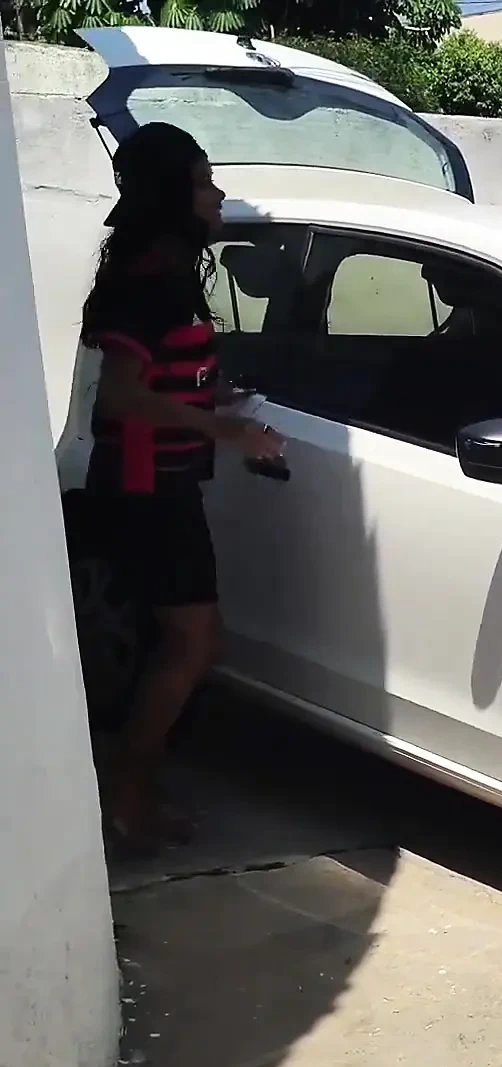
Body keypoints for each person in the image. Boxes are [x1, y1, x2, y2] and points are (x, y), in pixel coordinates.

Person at [80, 122, 284, 853]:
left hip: (162, 486)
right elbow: (122, 395)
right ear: (171, 195)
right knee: (193, 643)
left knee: (174, 643)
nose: (217, 194)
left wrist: (215, 394)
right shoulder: (149, 282)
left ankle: (131, 792)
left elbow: (164, 374)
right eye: (202, 182)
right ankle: (126, 799)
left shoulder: (167, 274)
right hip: (147, 489)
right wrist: (226, 431)